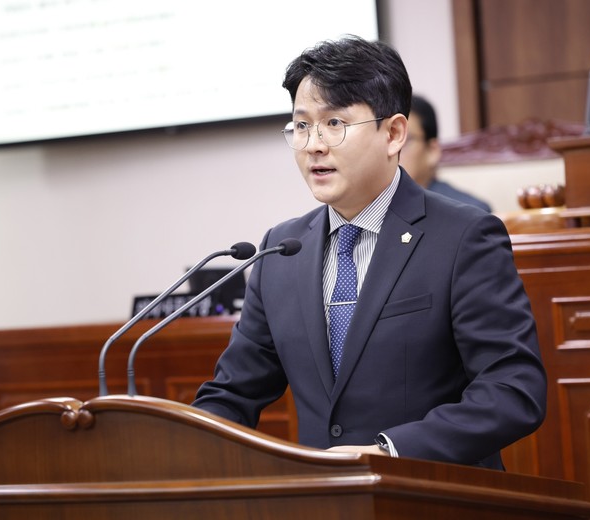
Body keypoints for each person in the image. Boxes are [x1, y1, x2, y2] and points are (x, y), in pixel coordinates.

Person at [192, 36, 546, 470]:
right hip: (327, 498)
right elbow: (232, 393)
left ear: (393, 133)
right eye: (301, 126)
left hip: (434, 492)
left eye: (334, 123)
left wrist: (391, 452)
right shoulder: (281, 251)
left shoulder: (464, 237)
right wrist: (172, 445)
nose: (314, 144)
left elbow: (513, 390)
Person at [400, 94, 492, 212]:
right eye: (389, 140)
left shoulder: (470, 213)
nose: (393, 150)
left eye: (405, 140)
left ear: (432, 151)